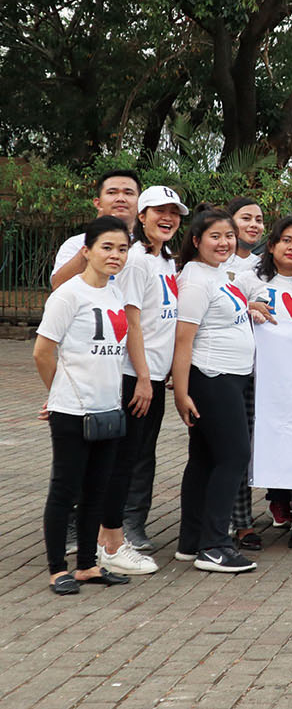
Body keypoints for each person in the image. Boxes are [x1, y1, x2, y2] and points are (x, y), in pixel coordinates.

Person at [33, 216, 134, 594]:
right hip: (72, 411)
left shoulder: (114, 294)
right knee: (66, 488)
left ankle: (88, 566)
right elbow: (42, 352)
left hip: (108, 408)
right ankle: (58, 569)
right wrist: (57, 395)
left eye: (122, 249)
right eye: (107, 247)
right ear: (87, 251)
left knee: (98, 489)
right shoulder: (68, 294)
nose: (115, 255)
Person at [99, 186, 188, 568]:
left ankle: (117, 534)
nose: (167, 218)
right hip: (133, 377)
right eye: (158, 211)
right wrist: (142, 377)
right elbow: (131, 321)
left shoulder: (165, 261)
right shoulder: (136, 260)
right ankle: (113, 542)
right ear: (142, 215)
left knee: (137, 455)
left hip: (151, 376)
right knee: (123, 459)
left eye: (174, 212)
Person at [171, 208, 258, 573]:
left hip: (231, 376)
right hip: (211, 376)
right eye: (215, 236)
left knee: (205, 459)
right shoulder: (195, 280)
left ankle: (192, 542)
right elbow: (183, 341)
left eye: (229, 236)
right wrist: (181, 392)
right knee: (234, 456)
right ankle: (214, 545)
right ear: (196, 241)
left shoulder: (217, 274)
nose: (224, 243)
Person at [235, 216, 292, 547]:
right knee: (243, 452)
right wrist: (246, 309)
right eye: (286, 240)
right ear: (271, 245)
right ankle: (243, 524)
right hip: (251, 381)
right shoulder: (247, 280)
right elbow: (225, 313)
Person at [51, 169, 141, 289]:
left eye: (128, 193)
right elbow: (58, 286)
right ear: (98, 203)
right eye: (112, 192)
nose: (120, 198)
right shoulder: (76, 244)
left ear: (140, 203)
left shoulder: (150, 246)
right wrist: (94, 239)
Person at [238, 217, 292, 325]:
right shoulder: (248, 278)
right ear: (271, 246)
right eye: (286, 240)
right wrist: (248, 306)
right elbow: (223, 310)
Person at [224, 197, 266, 278]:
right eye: (246, 218)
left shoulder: (263, 268)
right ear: (229, 222)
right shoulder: (214, 261)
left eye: (259, 220)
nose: (254, 225)